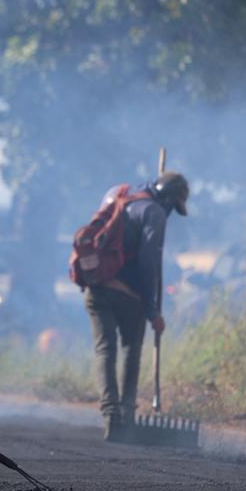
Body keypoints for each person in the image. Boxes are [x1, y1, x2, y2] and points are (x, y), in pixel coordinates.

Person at [84, 171, 190, 441]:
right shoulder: (154, 212)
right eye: (173, 207)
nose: (170, 213)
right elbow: (148, 262)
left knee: (104, 351)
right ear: (168, 198)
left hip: (96, 289)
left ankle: (110, 417)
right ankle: (127, 417)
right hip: (127, 295)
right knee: (131, 351)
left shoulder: (119, 197)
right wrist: (152, 311)